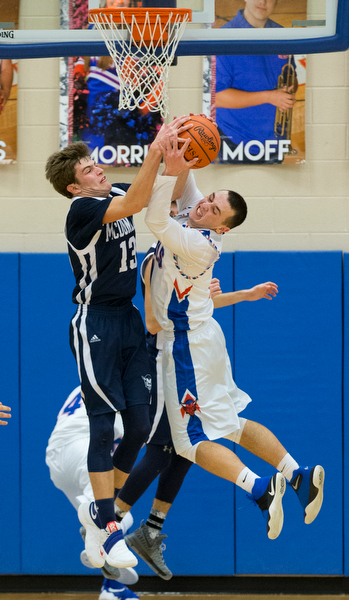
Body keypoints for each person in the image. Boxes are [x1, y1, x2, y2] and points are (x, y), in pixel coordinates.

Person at [144, 124, 325, 542]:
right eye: (209, 200)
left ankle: (261, 489)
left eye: (214, 210)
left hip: (188, 346)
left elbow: (154, 217)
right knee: (230, 426)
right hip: (203, 337)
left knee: (189, 443)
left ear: (222, 228)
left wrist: (168, 169)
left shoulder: (199, 242)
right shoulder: (197, 214)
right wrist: (182, 150)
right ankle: (297, 475)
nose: (205, 206)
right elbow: (188, 191)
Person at [44, 116, 193, 571]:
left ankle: (104, 514)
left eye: (94, 163)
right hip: (96, 323)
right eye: (87, 170)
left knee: (142, 425)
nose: (97, 170)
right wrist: (153, 150)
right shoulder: (80, 212)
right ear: (74, 187)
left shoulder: (114, 192)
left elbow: (153, 192)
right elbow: (135, 201)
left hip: (127, 320)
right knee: (104, 427)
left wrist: (181, 154)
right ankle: (109, 528)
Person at [122, 245, 280, 578]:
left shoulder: (190, 260)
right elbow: (153, 322)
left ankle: (149, 530)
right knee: (162, 451)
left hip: (187, 362)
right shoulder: (157, 259)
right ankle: (105, 523)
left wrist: (245, 294)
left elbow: (198, 309)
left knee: (186, 450)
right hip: (163, 362)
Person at [46, 387, 139, 600]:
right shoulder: (127, 386)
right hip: (83, 451)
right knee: (116, 517)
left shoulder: (85, 383)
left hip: (56, 459)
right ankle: (96, 538)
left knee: (101, 517)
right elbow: (134, 434)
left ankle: (112, 588)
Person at [215, 0, 298, 164]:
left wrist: (288, 93)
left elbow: (290, 74)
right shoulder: (224, 38)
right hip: (234, 142)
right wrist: (270, 97)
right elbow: (217, 97)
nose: (263, 2)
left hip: (274, 144)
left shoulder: (283, 35)